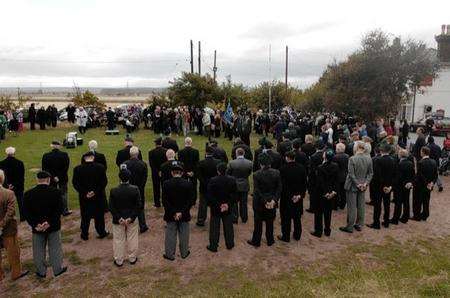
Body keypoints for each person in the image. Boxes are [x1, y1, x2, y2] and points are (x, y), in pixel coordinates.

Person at [23, 171, 66, 278]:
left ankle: (41, 271)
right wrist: (49, 223)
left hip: (37, 227)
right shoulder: (56, 192)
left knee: (38, 250)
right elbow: (59, 210)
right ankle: (57, 269)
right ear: (48, 180)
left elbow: (26, 213)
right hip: (53, 226)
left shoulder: (28, 194)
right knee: (55, 248)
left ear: (37, 180)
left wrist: (35, 224)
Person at [72, 152, 109, 240]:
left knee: (85, 215)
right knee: (99, 215)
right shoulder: (100, 167)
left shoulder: (77, 169)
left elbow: (75, 183)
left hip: (84, 197)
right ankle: (101, 232)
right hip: (98, 196)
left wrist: (85, 193)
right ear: (93, 157)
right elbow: (104, 182)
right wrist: (95, 192)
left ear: (84, 158)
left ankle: (84, 234)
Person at [247, 153, 281, 247]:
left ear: (260, 164)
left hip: (260, 203)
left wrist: (265, 201)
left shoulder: (257, 174)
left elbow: (257, 191)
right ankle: (270, 240)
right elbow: (279, 189)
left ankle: (256, 241)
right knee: (270, 222)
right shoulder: (277, 173)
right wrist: (274, 200)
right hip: (272, 201)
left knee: (258, 223)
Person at [0, 170, 29, 281]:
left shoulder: (7, 193)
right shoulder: (9, 193)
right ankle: (16, 273)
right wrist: (1, 225)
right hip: (8, 228)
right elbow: (11, 211)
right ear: (2, 179)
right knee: (13, 251)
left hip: (5, 226)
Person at [109, 169, 141, 267]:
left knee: (118, 239)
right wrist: (131, 218)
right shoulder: (135, 189)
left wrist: (119, 218)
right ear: (129, 178)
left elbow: (111, 206)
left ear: (120, 178)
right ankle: (132, 258)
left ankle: (119, 260)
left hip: (119, 219)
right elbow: (138, 206)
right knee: (132, 237)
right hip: (131, 218)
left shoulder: (114, 190)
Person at [162, 162, 194, 260]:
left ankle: (169, 254)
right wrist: (181, 212)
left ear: (172, 173)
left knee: (170, 234)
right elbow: (190, 201)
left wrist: (174, 213)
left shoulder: (166, 184)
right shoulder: (188, 184)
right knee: (184, 234)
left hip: (171, 214)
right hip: (184, 214)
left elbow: (165, 201)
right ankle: (184, 253)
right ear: (182, 172)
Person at [339, 142, 373, 233]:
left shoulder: (352, 159)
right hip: (363, 186)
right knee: (361, 206)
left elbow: (351, 174)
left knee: (352, 207)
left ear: (357, 148)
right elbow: (370, 173)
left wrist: (358, 184)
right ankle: (359, 224)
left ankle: (350, 226)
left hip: (352, 186)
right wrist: (365, 183)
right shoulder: (369, 159)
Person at [206, 163, 237, 252]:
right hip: (227, 207)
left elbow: (210, 196)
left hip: (216, 207)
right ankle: (230, 244)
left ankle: (213, 246)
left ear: (218, 171)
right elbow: (234, 195)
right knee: (228, 225)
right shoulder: (232, 180)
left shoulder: (213, 180)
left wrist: (219, 205)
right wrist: (227, 204)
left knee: (214, 227)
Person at [278, 151, 307, 242]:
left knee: (286, 218)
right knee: (297, 217)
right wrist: (300, 195)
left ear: (287, 158)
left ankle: (286, 236)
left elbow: (282, 185)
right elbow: (304, 184)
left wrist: (291, 196)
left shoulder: (283, 169)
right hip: (298, 197)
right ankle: (297, 235)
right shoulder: (302, 168)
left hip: (286, 198)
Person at [367, 144, 396, 229]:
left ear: (381, 150)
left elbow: (377, 175)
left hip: (379, 186)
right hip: (388, 187)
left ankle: (376, 223)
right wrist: (390, 186)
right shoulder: (393, 160)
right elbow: (395, 174)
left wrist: (384, 186)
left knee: (377, 205)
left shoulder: (378, 160)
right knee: (387, 204)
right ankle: (386, 222)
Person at [311, 150, 339, 237]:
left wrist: (326, 193)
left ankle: (318, 231)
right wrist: (333, 192)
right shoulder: (336, 166)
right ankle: (327, 230)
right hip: (331, 193)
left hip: (321, 193)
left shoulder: (320, 167)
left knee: (319, 213)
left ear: (325, 157)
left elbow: (320, 182)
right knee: (328, 212)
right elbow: (336, 181)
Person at [123, 146, 149, 234]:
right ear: (137, 154)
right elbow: (145, 178)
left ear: (130, 154)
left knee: (127, 207)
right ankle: (142, 225)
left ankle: (127, 226)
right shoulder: (143, 164)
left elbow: (122, 176)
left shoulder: (125, 164)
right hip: (139, 189)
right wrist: (140, 187)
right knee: (140, 207)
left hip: (128, 188)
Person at [42, 141, 71, 216]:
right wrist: (58, 176)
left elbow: (45, 169)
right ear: (59, 146)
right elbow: (66, 168)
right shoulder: (64, 155)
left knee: (52, 194)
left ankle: (54, 210)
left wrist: (53, 176)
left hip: (51, 178)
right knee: (63, 193)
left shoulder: (46, 156)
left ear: (51, 146)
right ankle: (64, 210)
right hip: (62, 177)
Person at [227, 148, 253, 223]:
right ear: (243, 153)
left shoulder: (232, 163)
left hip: (235, 185)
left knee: (234, 202)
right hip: (244, 184)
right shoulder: (249, 163)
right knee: (243, 203)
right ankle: (244, 218)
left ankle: (235, 218)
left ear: (236, 153)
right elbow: (249, 173)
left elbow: (228, 173)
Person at [412, 146, 438, 221]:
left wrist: (427, 183)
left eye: (421, 151)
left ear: (423, 152)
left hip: (420, 185)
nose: (420, 153)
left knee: (417, 201)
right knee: (426, 200)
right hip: (429, 186)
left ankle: (416, 216)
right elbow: (436, 174)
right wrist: (432, 183)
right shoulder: (434, 162)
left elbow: (420, 175)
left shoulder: (420, 162)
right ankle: (425, 215)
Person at [196, 146, 220, 226]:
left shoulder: (201, 162)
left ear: (206, 153)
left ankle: (201, 220)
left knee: (203, 204)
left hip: (204, 186)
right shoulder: (218, 162)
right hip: (215, 186)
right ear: (213, 153)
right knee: (215, 203)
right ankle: (215, 219)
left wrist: (205, 183)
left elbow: (199, 176)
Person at [0, 147, 25, 221]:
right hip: (18, 186)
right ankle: (23, 217)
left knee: (6, 203)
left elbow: (1, 176)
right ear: (14, 153)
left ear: (6, 153)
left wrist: (8, 185)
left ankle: (7, 218)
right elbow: (21, 176)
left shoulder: (1, 163)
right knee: (20, 202)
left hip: (5, 186)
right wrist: (14, 184)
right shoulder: (20, 163)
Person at [391, 149, 415, 224]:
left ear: (400, 155)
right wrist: (410, 183)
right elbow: (413, 175)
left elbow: (398, 177)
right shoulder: (411, 163)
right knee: (406, 202)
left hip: (399, 186)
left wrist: (393, 186)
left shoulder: (400, 164)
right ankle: (405, 218)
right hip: (407, 186)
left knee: (398, 203)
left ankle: (395, 219)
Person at [178, 137, 200, 206]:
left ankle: (185, 199)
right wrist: (193, 172)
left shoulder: (180, 152)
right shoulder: (196, 151)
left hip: (184, 172)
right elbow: (197, 164)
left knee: (183, 186)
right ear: (191, 142)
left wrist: (185, 172)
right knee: (193, 186)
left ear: (185, 143)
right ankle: (193, 201)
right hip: (193, 172)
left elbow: (180, 164)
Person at [148, 137, 167, 208]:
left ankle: (157, 203)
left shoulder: (151, 152)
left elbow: (151, 164)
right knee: (164, 187)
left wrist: (157, 171)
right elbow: (166, 163)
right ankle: (165, 202)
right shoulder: (166, 151)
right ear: (161, 143)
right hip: (164, 172)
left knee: (156, 188)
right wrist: (162, 171)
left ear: (155, 144)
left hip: (155, 173)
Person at [333, 143, 349, 210]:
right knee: (343, 191)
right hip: (345, 175)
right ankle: (342, 204)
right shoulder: (347, 156)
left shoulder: (335, 157)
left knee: (336, 190)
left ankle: (335, 205)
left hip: (337, 176)